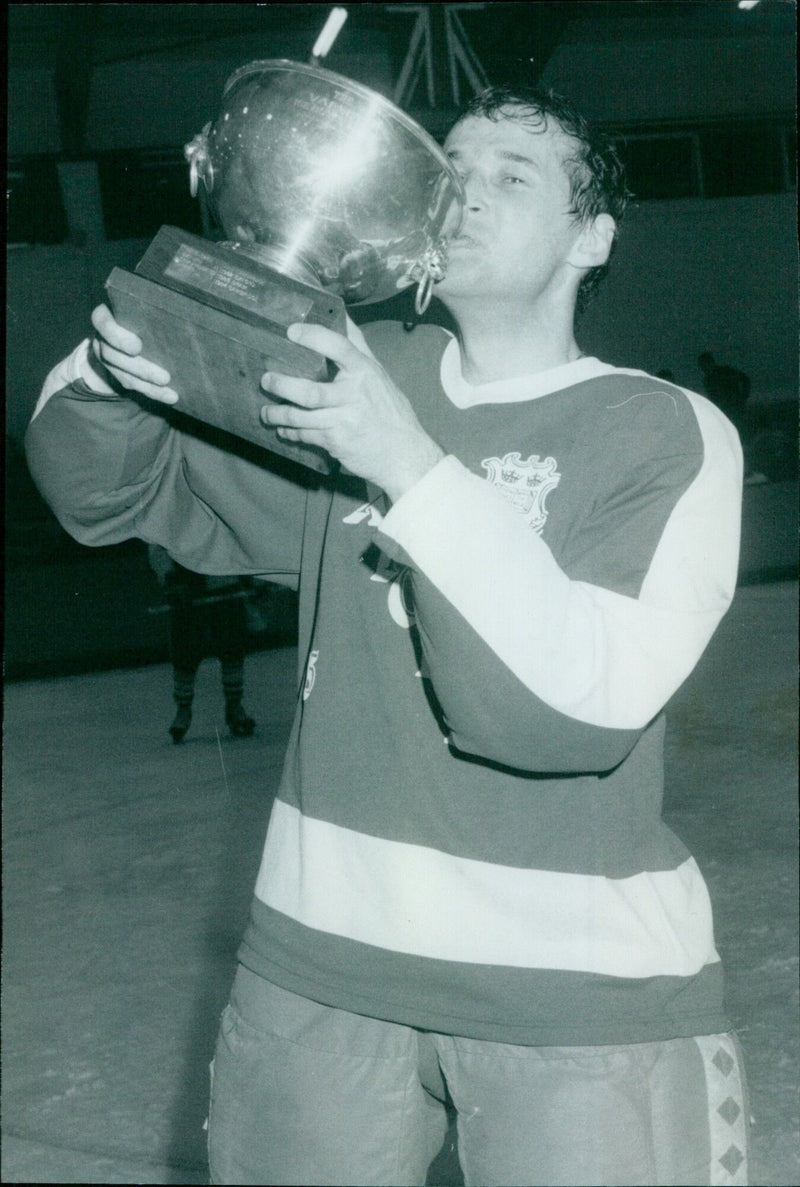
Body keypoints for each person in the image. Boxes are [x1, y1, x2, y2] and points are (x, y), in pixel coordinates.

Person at [26, 84, 748, 1186]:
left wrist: (406, 463)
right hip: (315, 969)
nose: (465, 193)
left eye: (514, 175)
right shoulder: (363, 376)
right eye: (451, 169)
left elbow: (574, 707)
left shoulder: (657, 425)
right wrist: (119, 366)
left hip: (573, 995)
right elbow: (108, 493)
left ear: (590, 237)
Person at [147, 543, 256, 742]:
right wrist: (168, 576)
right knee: (186, 650)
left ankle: (234, 705)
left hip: (223, 577)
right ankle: (183, 709)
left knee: (231, 646)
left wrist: (250, 573)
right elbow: (156, 542)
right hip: (186, 584)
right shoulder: (169, 512)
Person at [698, 351, 751, 435]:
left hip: (734, 409)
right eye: (701, 366)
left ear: (710, 363)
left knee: (738, 432)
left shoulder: (725, 372)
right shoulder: (708, 380)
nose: (703, 368)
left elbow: (744, 379)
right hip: (723, 411)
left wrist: (743, 398)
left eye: (704, 365)